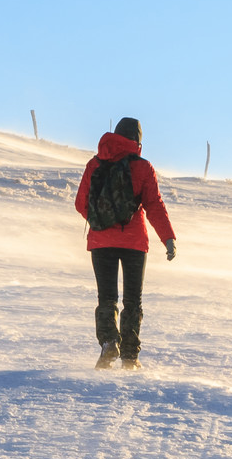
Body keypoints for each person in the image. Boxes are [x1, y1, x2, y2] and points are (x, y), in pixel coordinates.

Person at [74, 117, 176, 370]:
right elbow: (154, 206)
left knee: (107, 297)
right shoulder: (142, 167)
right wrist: (168, 238)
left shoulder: (94, 163)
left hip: (100, 241)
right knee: (133, 300)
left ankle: (109, 343)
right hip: (134, 242)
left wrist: (102, 220)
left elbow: (80, 203)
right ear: (137, 140)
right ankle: (130, 357)